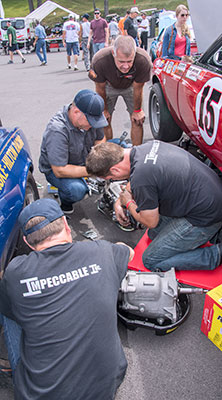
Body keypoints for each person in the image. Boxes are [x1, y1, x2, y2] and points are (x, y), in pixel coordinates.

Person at [0, 198, 134, 399]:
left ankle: (19, 370)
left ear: (28, 242)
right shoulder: (103, 251)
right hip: (105, 387)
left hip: (39, 395)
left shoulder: (16, 272)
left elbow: (9, 308)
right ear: (66, 225)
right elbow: (129, 253)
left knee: (8, 307)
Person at [86, 141, 222, 272]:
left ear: (114, 170)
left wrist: (128, 202)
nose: (114, 180)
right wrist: (119, 201)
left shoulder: (142, 177)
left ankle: (215, 255)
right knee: (154, 233)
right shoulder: (146, 148)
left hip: (205, 218)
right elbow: (135, 183)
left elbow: (150, 221)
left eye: (111, 178)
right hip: (207, 199)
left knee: (151, 260)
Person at [39, 89, 107, 214]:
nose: (92, 125)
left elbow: (100, 138)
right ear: (76, 112)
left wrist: (99, 159)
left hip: (83, 159)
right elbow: (60, 170)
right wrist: (94, 170)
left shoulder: (89, 118)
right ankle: (65, 203)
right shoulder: (57, 130)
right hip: (58, 169)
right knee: (76, 190)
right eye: (90, 122)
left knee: (122, 147)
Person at [89, 35, 152, 145]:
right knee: (104, 120)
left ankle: (136, 154)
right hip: (108, 86)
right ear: (113, 54)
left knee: (138, 120)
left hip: (131, 86)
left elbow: (138, 89)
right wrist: (104, 110)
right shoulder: (100, 60)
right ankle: (108, 155)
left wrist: (137, 111)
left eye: (129, 61)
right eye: (121, 61)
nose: (126, 66)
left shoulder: (143, 60)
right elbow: (100, 88)